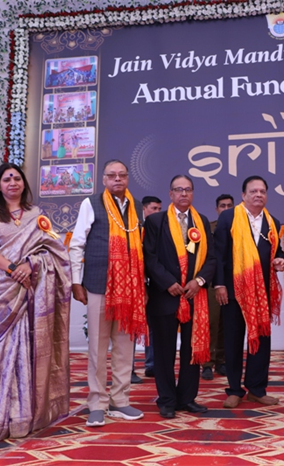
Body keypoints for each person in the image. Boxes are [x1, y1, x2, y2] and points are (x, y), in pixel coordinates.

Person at [0, 162, 71, 443]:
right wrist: (13, 268)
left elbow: (54, 251)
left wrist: (32, 263)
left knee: (29, 352)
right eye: (6, 179)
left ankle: (25, 417)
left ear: (24, 183)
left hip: (29, 292)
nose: (12, 182)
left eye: (16, 178)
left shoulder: (37, 215)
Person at [69, 160, 146, 427]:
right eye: (112, 175)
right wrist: (76, 281)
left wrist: (143, 284)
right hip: (98, 285)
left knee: (124, 348)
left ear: (128, 178)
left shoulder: (136, 206)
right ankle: (97, 403)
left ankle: (120, 401)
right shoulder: (91, 203)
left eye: (122, 175)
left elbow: (141, 247)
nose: (117, 179)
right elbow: (77, 244)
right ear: (103, 179)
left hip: (129, 289)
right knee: (98, 348)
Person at [143, 175, 216, 419]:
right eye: (178, 189)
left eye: (188, 189)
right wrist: (167, 283)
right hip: (165, 295)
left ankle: (187, 398)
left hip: (195, 295)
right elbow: (149, 257)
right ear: (170, 194)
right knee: (164, 351)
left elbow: (211, 257)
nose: (183, 194)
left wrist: (200, 281)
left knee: (191, 349)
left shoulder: (201, 221)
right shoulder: (156, 221)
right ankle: (166, 400)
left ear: (193, 193)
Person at [214, 176, 284, 409]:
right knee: (233, 340)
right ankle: (234, 390)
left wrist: (279, 260)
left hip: (262, 292)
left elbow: (278, 251)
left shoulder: (273, 222)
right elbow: (218, 254)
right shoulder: (229, 217)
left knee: (261, 341)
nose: (258, 195)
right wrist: (219, 284)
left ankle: (257, 389)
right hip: (233, 290)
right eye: (253, 191)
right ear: (243, 195)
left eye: (262, 191)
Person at [201, 194, 234, 381]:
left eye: (229, 206)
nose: (226, 209)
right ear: (216, 209)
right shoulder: (209, 228)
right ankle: (207, 362)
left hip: (233, 282)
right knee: (211, 323)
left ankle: (221, 360)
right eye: (222, 206)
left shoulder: (239, 227)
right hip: (212, 282)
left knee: (226, 323)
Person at [139, 196, 162, 379]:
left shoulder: (160, 229)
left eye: (159, 209)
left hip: (154, 283)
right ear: (144, 209)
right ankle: (129, 369)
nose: (157, 212)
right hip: (135, 283)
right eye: (154, 209)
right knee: (131, 327)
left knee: (154, 325)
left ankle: (152, 364)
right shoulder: (135, 227)